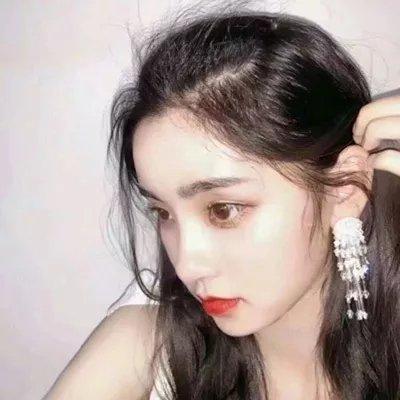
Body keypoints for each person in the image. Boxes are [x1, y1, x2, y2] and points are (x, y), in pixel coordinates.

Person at [43, 4, 400, 400]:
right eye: (162, 212)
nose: (186, 266)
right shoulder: (146, 349)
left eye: (223, 210)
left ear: (345, 188)